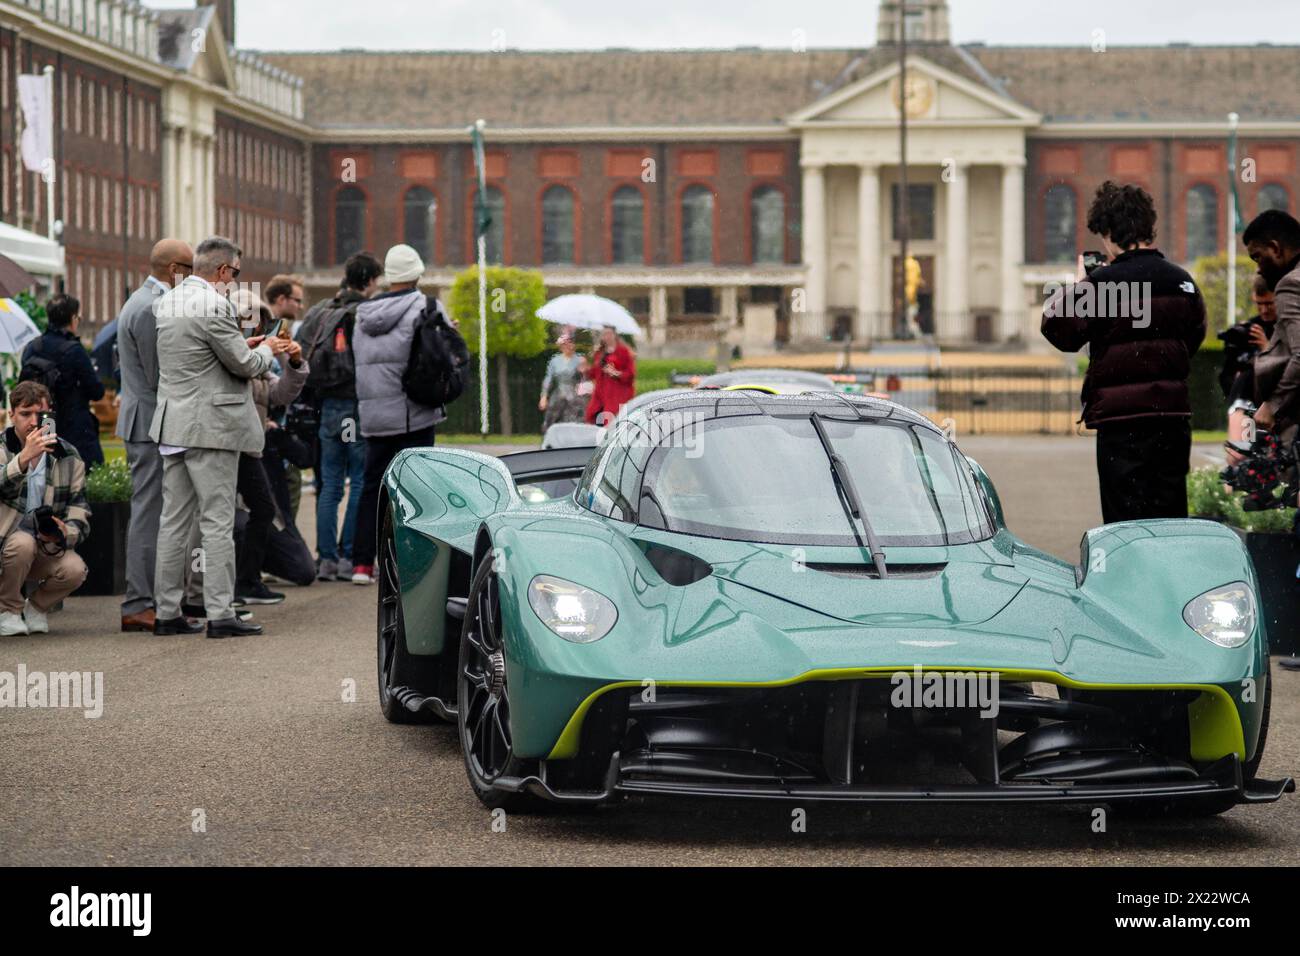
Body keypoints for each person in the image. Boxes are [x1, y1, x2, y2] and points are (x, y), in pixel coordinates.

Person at [1042, 180, 1206, 523]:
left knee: (1125, 521)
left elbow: (1058, 329)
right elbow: (1192, 339)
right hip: (1172, 419)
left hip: (1122, 423)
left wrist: (1080, 286)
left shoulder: (1103, 285)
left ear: (1107, 231)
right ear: (1148, 226)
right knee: (1171, 516)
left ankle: (1133, 577)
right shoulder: (1182, 281)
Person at [150, 237, 289, 638]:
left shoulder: (170, 302)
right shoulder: (215, 304)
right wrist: (268, 350)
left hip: (173, 423)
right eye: (236, 274)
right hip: (210, 427)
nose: (235, 282)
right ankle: (221, 613)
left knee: (173, 522)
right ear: (224, 271)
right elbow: (244, 365)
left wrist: (244, 346)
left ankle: (167, 612)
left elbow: (201, 356)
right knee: (216, 520)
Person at [350, 243, 466, 585]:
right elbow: (441, 355)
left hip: (373, 417)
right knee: (415, 488)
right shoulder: (427, 306)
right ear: (416, 273)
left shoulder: (363, 315)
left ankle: (360, 564)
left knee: (371, 487)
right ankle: (411, 561)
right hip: (414, 413)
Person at [114, 238, 193, 633]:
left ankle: (148, 599)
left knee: (153, 513)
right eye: (191, 269)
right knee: (148, 515)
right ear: (175, 268)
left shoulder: (141, 301)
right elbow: (158, 374)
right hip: (149, 423)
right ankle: (139, 602)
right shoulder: (150, 307)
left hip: (145, 421)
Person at [296, 252, 382, 581]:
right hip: (356, 405)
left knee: (328, 484)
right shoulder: (365, 312)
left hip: (326, 407)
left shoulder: (320, 312)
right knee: (359, 481)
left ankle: (326, 559)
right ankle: (350, 556)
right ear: (371, 280)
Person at [229, 290, 309, 606]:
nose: (256, 330)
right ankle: (233, 585)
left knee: (262, 509)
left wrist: (296, 363)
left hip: (250, 447)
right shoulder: (231, 352)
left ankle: (248, 581)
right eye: (249, 322)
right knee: (229, 516)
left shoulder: (259, 360)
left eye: (261, 323)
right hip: (227, 445)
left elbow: (279, 394)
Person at [0, 382, 90, 636]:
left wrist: (65, 532)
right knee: (22, 543)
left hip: (44, 544)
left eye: (40, 414)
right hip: (6, 544)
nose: (33, 421)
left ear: (50, 413)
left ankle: (36, 608)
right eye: (25, 413)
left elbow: (79, 507)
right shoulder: (2, 449)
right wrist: (23, 459)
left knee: (75, 569)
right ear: (12, 415)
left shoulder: (68, 455)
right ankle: (7, 609)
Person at [19, 293, 106, 468]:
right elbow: (96, 391)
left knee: (45, 470)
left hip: (43, 422)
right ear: (73, 319)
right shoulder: (74, 350)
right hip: (74, 426)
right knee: (79, 473)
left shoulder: (32, 348)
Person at [1245, 210, 1300, 438]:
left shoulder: (1290, 285)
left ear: (1276, 249)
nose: (1258, 268)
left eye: (1257, 256)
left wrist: (1271, 405)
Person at [1218, 275, 1277, 462]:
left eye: (1269, 304)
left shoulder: (1286, 327)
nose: (1263, 310)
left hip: (1274, 405)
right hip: (1245, 402)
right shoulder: (1249, 330)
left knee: (1272, 462)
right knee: (1237, 456)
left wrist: (1266, 348)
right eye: (1259, 304)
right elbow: (1226, 376)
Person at [263, 274, 307, 518]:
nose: (300, 306)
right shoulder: (271, 329)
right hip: (272, 425)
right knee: (288, 486)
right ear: (281, 299)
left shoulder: (276, 328)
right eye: (296, 300)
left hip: (273, 424)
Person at [584, 325, 636, 425]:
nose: (606, 336)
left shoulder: (623, 351)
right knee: (596, 423)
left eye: (609, 333)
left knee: (614, 425)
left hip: (617, 396)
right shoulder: (599, 352)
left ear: (614, 335)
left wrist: (616, 373)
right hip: (600, 396)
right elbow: (594, 374)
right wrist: (586, 369)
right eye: (604, 334)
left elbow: (631, 374)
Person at [539, 332, 588, 431]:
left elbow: (586, 379)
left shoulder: (580, 360)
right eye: (564, 344)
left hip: (575, 395)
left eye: (570, 343)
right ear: (560, 346)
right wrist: (543, 396)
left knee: (574, 420)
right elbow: (548, 379)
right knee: (551, 420)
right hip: (558, 394)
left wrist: (584, 371)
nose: (567, 346)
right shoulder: (554, 361)